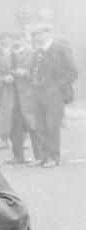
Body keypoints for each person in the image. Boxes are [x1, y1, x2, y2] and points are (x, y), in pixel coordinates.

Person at [28, 23, 78, 168]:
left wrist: (56, 87)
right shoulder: (37, 52)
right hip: (38, 93)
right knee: (40, 126)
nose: (37, 37)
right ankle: (42, 157)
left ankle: (53, 157)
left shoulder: (60, 49)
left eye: (40, 34)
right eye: (35, 35)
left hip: (54, 95)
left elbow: (73, 71)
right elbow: (34, 72)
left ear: (49, 33)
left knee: (52, 126)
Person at [8, 31, 39, 164]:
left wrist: (25, 73)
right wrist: (4, 78)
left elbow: (38, 73)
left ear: (24, 39)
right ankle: (18, 156)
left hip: (28, 96)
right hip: (11, 96)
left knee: (33, 126)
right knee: (14, 128)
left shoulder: (33, 54)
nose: (16, 41)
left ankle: (39, 156)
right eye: (14, 38)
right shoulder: (7, 56)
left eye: (19, 38)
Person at [0, 32, 15, 149]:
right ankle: (3, 139)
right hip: (4, 88)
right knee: (5, 113)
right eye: (0, 39)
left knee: (21, 112)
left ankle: (21, 139)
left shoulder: (18, 51)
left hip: (18, 87)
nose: (2, 41)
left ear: (10, 39)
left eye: (5, 38)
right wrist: (2, 79)